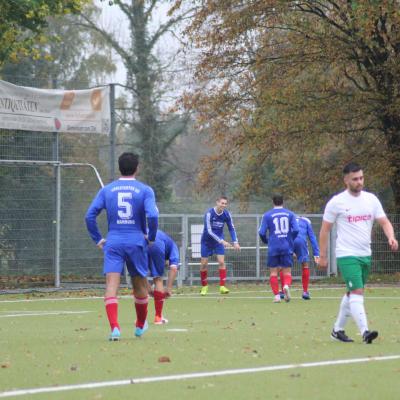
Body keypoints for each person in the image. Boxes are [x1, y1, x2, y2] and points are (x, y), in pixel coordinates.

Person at [319, 162, 398, 344]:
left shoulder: (371, 199)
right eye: (355, 179)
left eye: (361, 178)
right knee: (357, 291)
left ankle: (337, 330)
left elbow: (384, 222)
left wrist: (391, 237)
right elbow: (324, 230)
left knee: (351, 293)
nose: (359, 182)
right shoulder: (337, 202)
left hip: (365, 254)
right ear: (346, 180)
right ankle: (365, 332)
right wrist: (322, 256)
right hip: (347, 254)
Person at [85, 152, 159, 341]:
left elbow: (89, 216)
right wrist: (150, 236)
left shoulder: (107, 190)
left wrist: (98, 239)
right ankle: (140, 326)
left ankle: (115, 328)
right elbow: (153, 215)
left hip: (114, 242)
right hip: (136, 242)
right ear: (137, 168)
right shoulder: (145, 190)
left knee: (112, 285)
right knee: (139, 285)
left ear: (119, 168)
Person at [259, 194, 299, 303]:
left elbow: (261, 232)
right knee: (287, 272)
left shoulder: (267, 215)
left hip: (273, 246)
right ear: (283, 202)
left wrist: (266, 241)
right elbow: (296, 230)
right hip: (286, 246)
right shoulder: (290, 214)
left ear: (273, 202)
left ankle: (277, 296)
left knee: (273, 273)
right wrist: (290, 239)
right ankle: (286, 286)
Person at [200, 196, 240, 295]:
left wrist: (235, 241)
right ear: (217, 202)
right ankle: (204, 287)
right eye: (222, 203)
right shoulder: (209, 213)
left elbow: (231, 228)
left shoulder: (226, 214)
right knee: (204, 264)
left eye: (225, 203)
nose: (224, 205)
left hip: (218, 242)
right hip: (206, 241)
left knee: (221, 262)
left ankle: (222, 286)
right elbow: (209, 231)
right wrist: (222, 241)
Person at [148, 229, 180, 324]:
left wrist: (149, 289)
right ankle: (158, 317)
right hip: (155, 243)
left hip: (137, 239)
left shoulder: (164, 238)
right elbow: (174, 268)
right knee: (158, 278)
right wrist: (168, 288)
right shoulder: (173, 246)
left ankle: (140, 320)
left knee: (137, 274)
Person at [291, 215, 320, 300]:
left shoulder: (290, 218)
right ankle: (305, 292)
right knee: (305, 265)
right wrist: (316, 254)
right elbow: (312, 238)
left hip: (289, 241)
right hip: (301, 241)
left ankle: (282, 291)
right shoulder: (306, 221)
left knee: (284, 266)